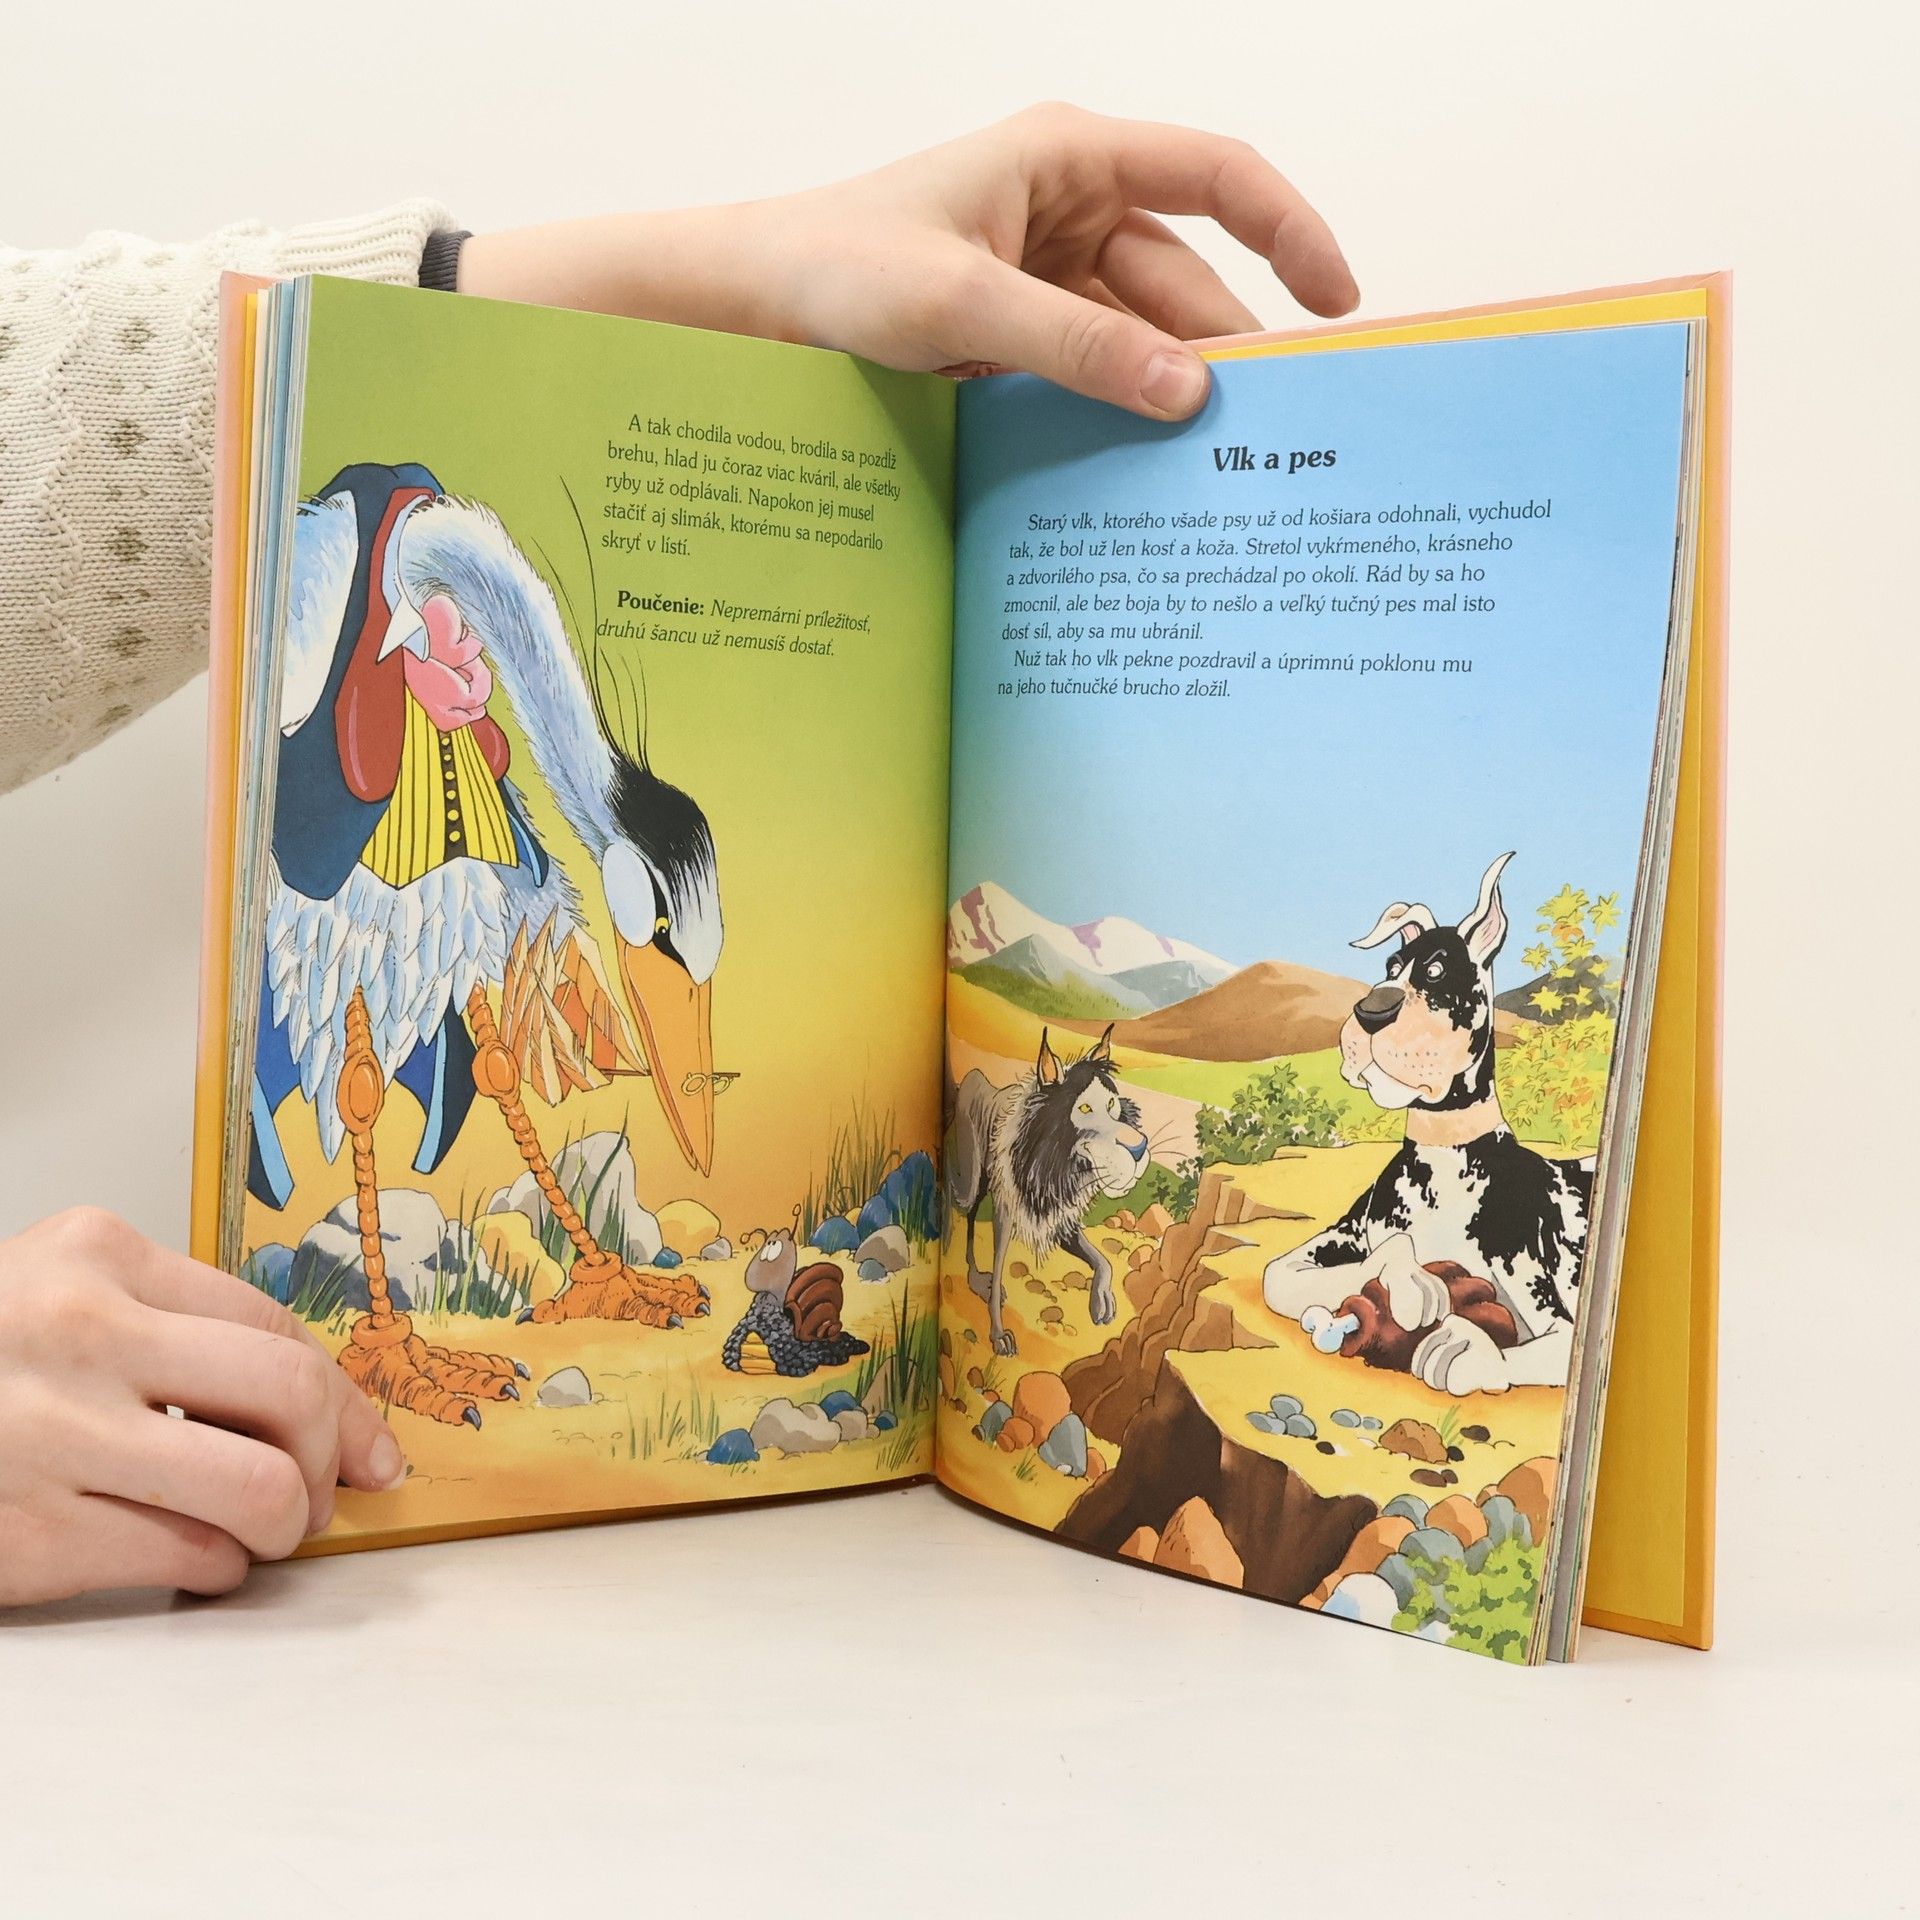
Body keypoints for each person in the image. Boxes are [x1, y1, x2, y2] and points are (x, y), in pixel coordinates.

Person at [0, 103, 1355, 1607]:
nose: (662, 983)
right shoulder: (349, 579)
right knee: (374, 1041)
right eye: (661, 940)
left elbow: (64, 424)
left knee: (493, 984)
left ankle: (574, 1263)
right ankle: (384, 1316)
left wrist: (743, 271)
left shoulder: (466, 652)